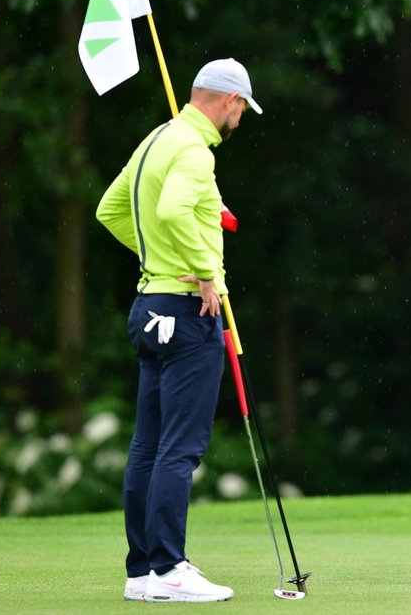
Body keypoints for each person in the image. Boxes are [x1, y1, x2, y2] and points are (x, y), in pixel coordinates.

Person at [96, 58, 263, 603]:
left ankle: (142, 572)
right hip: (189, 312)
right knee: (180, 448)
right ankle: (169, 570)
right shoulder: (193, 150)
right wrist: (206, 272)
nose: (239, 121)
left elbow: (111, 211)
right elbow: (170, 211)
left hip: (149, 306)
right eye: (241, 110)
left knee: (148, 445)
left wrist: (160, 260)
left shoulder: (156, 140)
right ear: (230, 101)